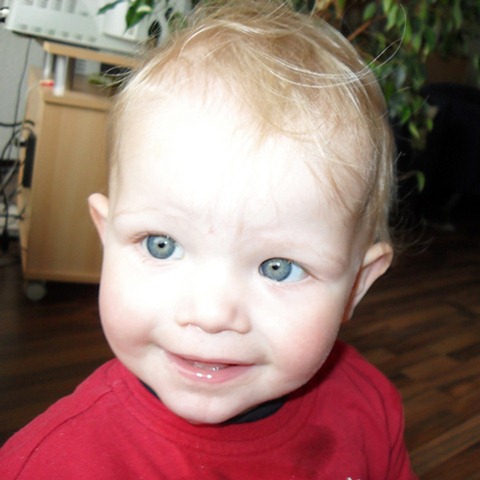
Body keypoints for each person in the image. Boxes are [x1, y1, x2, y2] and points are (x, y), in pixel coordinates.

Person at [0, 1, 418, 478]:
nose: (211, 314)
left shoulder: (370, 405)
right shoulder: (44, 467)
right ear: (106, 237)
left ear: (357, 285)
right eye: (161, 244)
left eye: (278, 267)